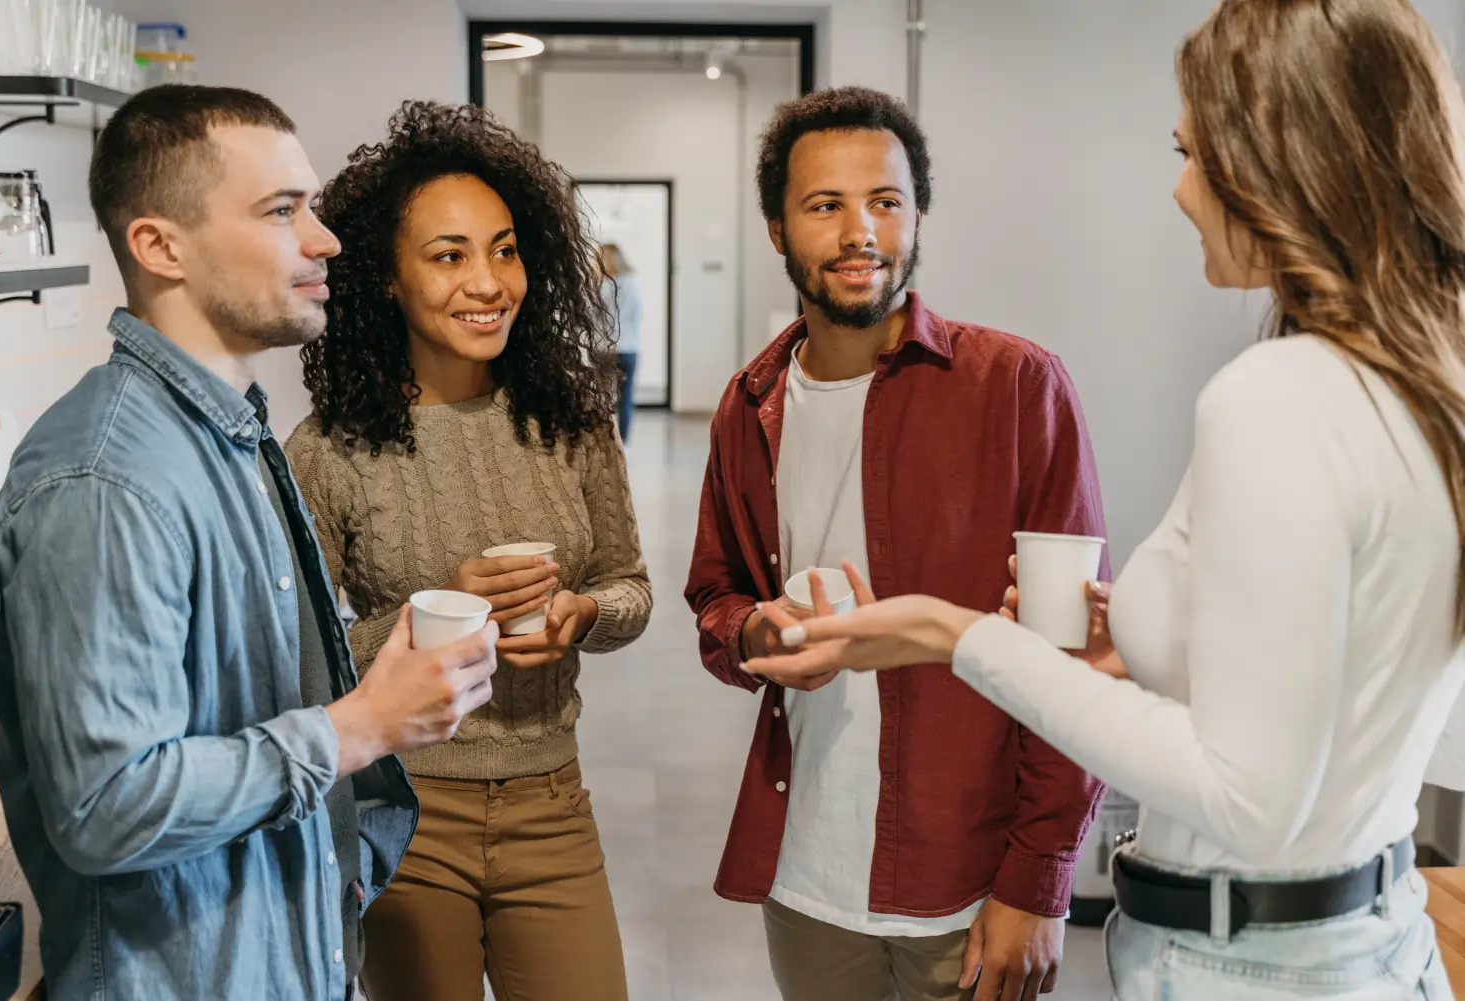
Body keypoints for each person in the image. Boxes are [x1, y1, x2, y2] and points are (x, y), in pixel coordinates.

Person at [743, 1, 1465, 997]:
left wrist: (954, 634)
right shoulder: (1425, 377)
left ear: (1283, 158)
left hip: (1244, 960)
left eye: (1193, 150)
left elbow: (1252, 800)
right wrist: (1145, 649)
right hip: (1372, 936)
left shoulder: (1279, 392)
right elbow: (1358, 685)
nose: (1178, 188)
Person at [0, 85, 499, 1001]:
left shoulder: (234, 435)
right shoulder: (102, 483)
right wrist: (361, 725)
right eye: (283, 211)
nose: (325, 238)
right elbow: (105, 805)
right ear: (160, 245)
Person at [684, 86, 1108, 1001]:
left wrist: (1039, 879)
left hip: (964, 882)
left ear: (918, 214)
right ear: (775, 227)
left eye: (885, 201)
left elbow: (1073, 654)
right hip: (804, 872)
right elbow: (714, 597)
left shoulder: (1016, 388)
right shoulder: (746, 402)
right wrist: (756, 637)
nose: (859, 232)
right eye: (824, 205)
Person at [287, 101, 652, 1001]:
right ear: (385, 278)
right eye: (449, 256)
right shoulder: (328, 451)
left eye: (504, 248)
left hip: (552, 804)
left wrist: (584, 613)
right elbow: (297, 661)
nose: (488, 282)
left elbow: (630, 585)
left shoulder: (571, 423)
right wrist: (419, 618)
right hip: (403, 812)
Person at [599, 242, 643, 441]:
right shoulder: (632, 285)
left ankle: (606, 443)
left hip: (605, 350)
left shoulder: (604, 286)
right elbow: (638, 315)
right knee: (626, 399)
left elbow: (593, 318)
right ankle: (624, 444)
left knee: (603, 399)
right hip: (629, 349)